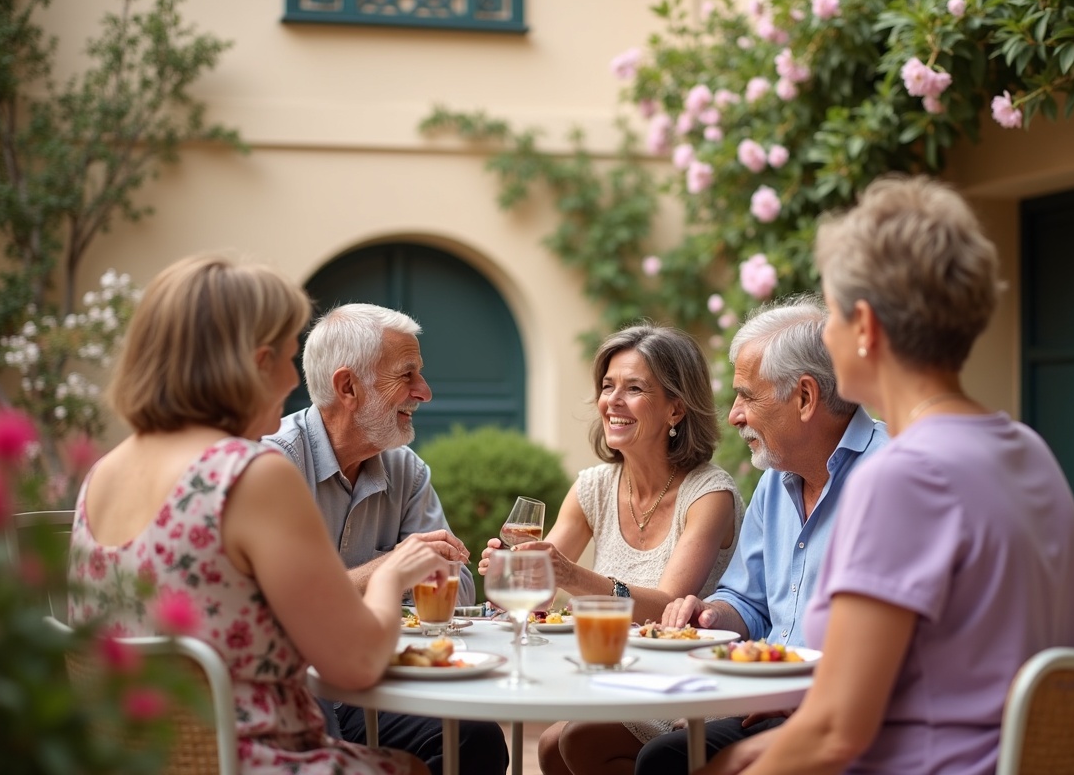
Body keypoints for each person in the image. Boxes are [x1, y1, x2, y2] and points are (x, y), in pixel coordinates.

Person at [691, 175, 1074, 775]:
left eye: (831, 315)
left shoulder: (904, 477)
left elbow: (835, 733)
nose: (825, 336)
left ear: (866, 328)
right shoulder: (1028, 451)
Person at [68, 256, 448, 774]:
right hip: (249, 760)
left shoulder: (101, 475)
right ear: (258, 364)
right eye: (290, 359)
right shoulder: (249, 473)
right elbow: (357, 664)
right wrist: (392, 574)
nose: (294, 380)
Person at [635, 295, 889, 775]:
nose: (734, 415)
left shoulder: (890, 478)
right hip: (768, 701)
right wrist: (710, 615)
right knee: (662, 759)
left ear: (805, 398)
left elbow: (894, 643)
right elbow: (747, 601)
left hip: (850, 716)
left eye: (747, 396)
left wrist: (808, 696)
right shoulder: (776, 479)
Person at [478, 324, 744, 775]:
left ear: (676, 408)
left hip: (686, 684)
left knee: (577, 740)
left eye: (634, 389)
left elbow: (666, 608)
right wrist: (512, 574)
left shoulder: (708, 494)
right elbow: (539, 589)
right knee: (550, 747)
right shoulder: (593, 487)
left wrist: (569, 573)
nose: (612, 401)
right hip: (614, 680)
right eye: (607, 386)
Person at [263, 303, 508, 775]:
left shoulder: (405, 469)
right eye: (407, 374)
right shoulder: (273, 466)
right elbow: (281, 606)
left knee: (473, 737)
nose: (425, 392)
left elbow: (458, 590)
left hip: (375, 683)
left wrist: (418, 572)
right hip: (295, 688)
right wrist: (390, 569)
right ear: (348, 388)